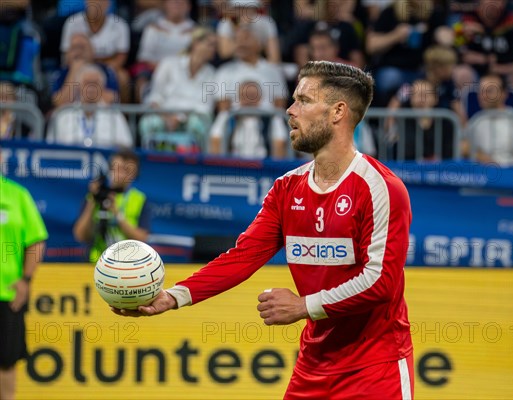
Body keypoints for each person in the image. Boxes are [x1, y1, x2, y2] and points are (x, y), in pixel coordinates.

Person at [113, 61, 414, 398]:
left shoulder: (380, 188)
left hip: (376, 367)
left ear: (337, 112)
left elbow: (380, 282)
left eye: (303, 100)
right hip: (313, 366)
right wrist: (173, 296)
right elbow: (242, 257)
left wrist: (303, 306)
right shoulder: (286, 189)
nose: (289, 110)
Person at [0, 152, 48, 400]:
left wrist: (25, 281)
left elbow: (36, 241)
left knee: (6, 362)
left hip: (7, 294)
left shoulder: (16, 195)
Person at [139, 26, 217, 150]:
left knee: (197, 124)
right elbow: (155, 95)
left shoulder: (212, 74)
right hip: (164, 115)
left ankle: (195, 161)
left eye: (214, 46)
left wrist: (180, 118)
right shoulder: (169, 63)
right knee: (150, 122)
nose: (213, 49)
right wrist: (166, 116)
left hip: (191, 118)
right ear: (196, 43)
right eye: (210, 44)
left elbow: (205, 106)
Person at [73, 148, 151, 263]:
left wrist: (117, 213)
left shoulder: (139, 199)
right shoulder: (95, 196)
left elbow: (142, 239)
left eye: (125, 170)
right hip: (96, 263)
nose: (119, 174)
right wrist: (93, 202)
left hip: (127, 265)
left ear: (134, 174)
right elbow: (80, 235)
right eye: (115, 168)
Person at [47, 64, 133, 148]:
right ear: (79, 86)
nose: (91, 87)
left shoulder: (114, 114)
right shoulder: (63, 113)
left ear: (102, 87)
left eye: (95, 83)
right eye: (87, 83)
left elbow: (126, 146)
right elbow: (50, 147)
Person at [465, 73, 513, 165]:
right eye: (480, 91)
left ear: (503, 94)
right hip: (485, 175)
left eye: (489, 91)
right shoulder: (476, 121)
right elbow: (465, 149)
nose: (482, 96)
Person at [209, 80, 288, 158]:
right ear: (239, 96)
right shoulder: (227, 115)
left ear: (260, 97)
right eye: (244, 95)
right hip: (233, 164)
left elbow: (279, 143)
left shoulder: (272, 116)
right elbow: (216, 140)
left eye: (252, 95)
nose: (249, 99)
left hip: (263, 165)